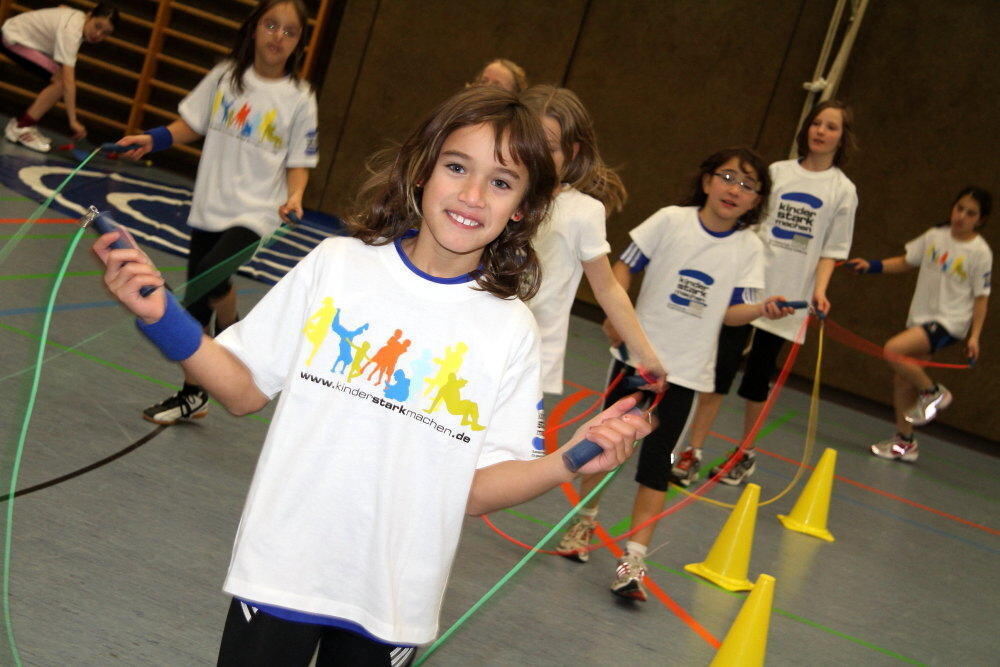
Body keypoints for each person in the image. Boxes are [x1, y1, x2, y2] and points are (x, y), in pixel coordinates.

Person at [93, 85, 652, 664]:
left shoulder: (511, 331)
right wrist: (164, 317)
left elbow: (478, 490)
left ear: (524, 208)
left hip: (391, 601)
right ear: (420, 171)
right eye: (457, 167)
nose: (472, 194)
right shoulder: (338, 266)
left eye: (501, 182)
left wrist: (573, 457)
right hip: (282, 570)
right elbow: (241, 389)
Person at [556, 147, 794, 601]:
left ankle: (633, 561)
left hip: (685, 375)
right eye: (728, 177)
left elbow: (730, 314)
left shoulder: (748, 249)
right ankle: (581, 526)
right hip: (636, 361)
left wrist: (762, 308)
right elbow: (622, 266)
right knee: (601, 446)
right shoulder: (669, 220)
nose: (735, 190)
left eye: (748, 186)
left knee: (654, 468)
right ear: (706, 181)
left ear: (755, 201)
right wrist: (615, 310)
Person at [115, 0, 319, 425]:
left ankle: (228, 336)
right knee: (198, 306)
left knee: (208, 279)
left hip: (257, 213)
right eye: (270, 25)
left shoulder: (299, 98)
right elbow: (193, 123)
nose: (277, 36)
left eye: (289, 31)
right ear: (255, 28)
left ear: (299, 43)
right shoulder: (226, 77)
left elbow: (299, 161)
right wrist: (154, 139)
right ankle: (195, 392)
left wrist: (295, 195)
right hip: (210, 206)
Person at [671, 101, 858, 487]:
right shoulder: (778, 173)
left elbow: (830, 251)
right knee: (719, 371)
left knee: (757, 381)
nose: (821, 131)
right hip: (748, 288)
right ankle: (693, 450)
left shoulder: (843, 191)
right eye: (817, 123)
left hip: (788, 302)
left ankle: (745, 453)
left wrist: (820, 292)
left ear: (842, 138)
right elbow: (751, 223)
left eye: (832, 127)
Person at [520, 84, 665, 395]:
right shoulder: (493, 191)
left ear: (571, 153)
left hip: (529, 359)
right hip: (470, 339)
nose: (535, 155)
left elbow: (607, 287)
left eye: (549, 147)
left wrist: (646, 354)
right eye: (525, 141)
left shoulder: (583, 212)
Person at [847, 186, 992, 461]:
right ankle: (905, 442)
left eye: (970, 213)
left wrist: (974, 337)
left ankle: (933, 392)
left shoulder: (980, 252)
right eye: (959, 208)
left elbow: (982, 297)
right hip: (922, 319)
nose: (962, 216)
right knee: (902, 379)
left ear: (980, 220)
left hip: (949, 322)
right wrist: (873, 266)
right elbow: (906, 261)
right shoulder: (935, 236)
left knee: (893, 350)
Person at [1, 2, 118, 152]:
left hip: (19, 36)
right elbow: (69, 83)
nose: (98, 35)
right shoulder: (71, 32)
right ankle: (21, 127)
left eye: (106, 33)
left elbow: (62, 7)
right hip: (14, 39)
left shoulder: (79, 18)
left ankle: (22, 124)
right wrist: (73, 121)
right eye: (97, 26)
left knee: (60, 81)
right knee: (61, 83)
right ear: (89, 16)